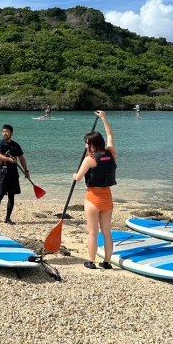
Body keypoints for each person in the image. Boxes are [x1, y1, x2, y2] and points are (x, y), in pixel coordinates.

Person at [73, 111, 116, 270]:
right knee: (107, 232)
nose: (86, 146)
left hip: (93, 198)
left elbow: (78, 178)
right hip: (107, 198)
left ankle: (90, 261)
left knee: (92, 232)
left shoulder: (89, 160)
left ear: (93, 145)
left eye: (87, 144)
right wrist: (105, 119)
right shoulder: (111, 153)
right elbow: (110, 135)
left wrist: (74, 175)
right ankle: (107, 262)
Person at [0, 124, 31, 224]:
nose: (4, 133)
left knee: (11, 196)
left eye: (6, 131)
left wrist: (26, 171)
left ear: (11, 133)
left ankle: (8, 218)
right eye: (3, 131)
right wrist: (8, 159)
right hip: (3, 173)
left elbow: (21, 158)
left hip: (13, 174)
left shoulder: (16, 145)